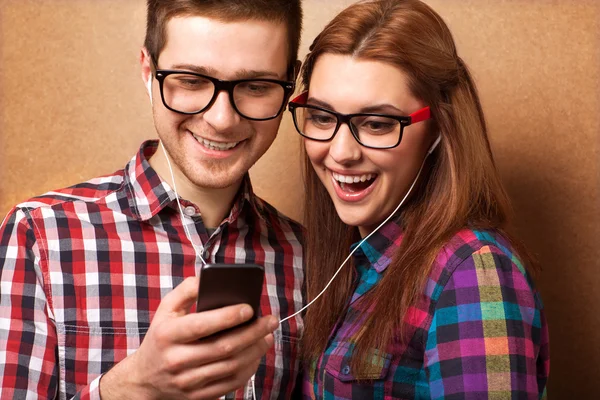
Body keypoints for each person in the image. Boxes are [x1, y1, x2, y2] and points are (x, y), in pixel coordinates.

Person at [0, 1, 304, 399]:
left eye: (256, 86)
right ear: (148, 71)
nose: (222, 119)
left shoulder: (308, 256)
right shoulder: (40, 235)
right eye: (192, 81)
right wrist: (133, 387)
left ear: (290, 82)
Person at [288, 0, 550, 398]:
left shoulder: (471, 274)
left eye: (376, 123)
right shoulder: (351, 260)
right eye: (322, 117)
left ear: (439, 132)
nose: (340, 152)